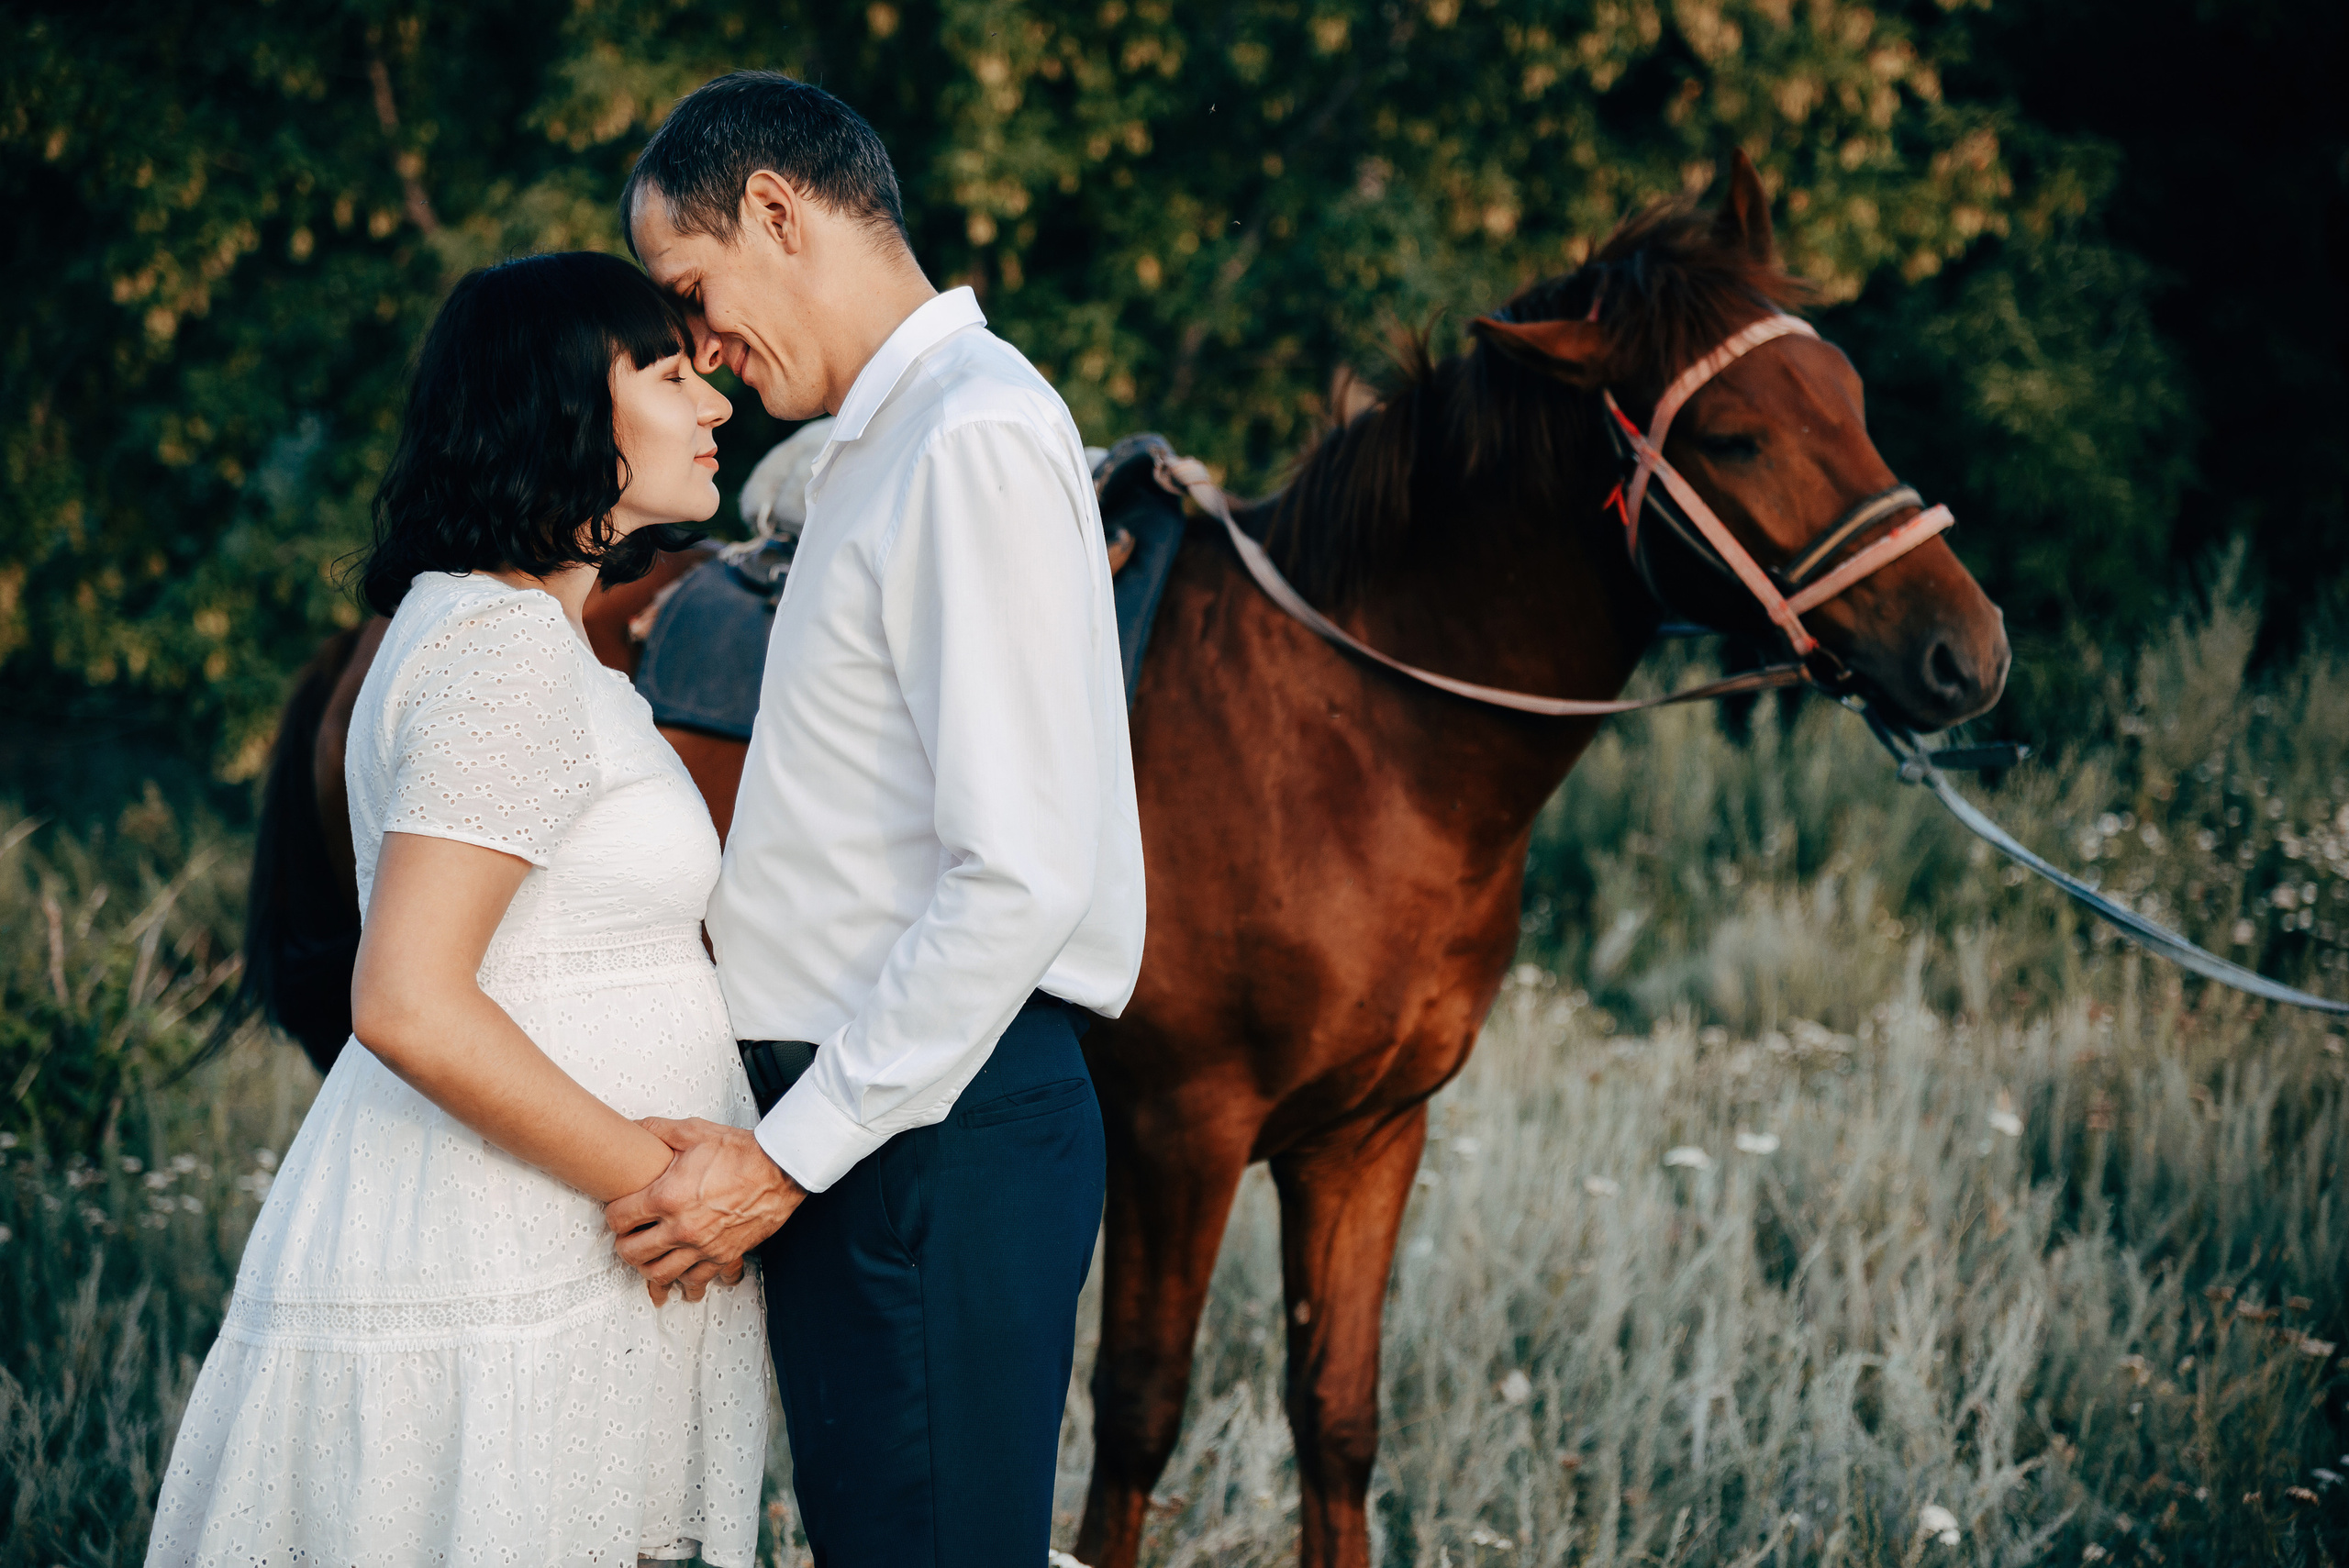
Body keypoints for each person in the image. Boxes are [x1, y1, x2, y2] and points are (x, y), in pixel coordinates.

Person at [146, 251, 770, 1568]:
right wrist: (666, 1188)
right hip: (522, 1248)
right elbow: (408, 1000)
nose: (715, 401)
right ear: (562, 405)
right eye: (670, 373)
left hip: (549, 1238)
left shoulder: (493, 628)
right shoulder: (505, 653)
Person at [600, 72, 1146, 1564]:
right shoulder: (887, 441)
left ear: (776, 211)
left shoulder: (970, 433)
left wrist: (786, 1158)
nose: (698, 346)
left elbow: (1020, 874)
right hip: (884, 1129)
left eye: (691, 291)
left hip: (930, 1140)